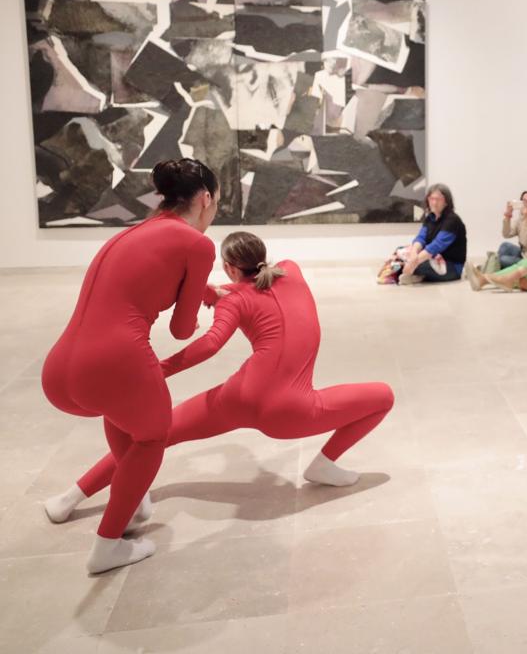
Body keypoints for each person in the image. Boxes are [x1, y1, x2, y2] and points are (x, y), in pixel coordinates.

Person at [45, 233, 395, 538]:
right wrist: (219, 294)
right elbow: (261, 287)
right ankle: (324, 464)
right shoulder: (293, 270)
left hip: (238, 396)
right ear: (263, 255)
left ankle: (69, 499)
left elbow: (211, 343)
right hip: (292, 410)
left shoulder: (234, 300)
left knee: (152, 438)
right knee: (383, 396)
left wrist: (159, 369)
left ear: (228, 267)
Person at [41, 158, 218, 574]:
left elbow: (137, 278)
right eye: (216, 206)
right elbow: (181, 329)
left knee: (129, 421)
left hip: (63, 368)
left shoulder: (134, 232)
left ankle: (131, 500)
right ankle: (107, 547)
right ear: (206, 198)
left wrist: (199, 286)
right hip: (115, 364)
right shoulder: (198, 244)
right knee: (154, 437)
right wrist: (197, 300)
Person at [385, 183, 468, 284]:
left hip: (450, 266)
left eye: (438, 199)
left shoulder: (452, 220)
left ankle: (413, 273)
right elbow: (421, 238)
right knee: (400, 251)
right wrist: (413, 253)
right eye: (431, 199)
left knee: (418, 264)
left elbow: (436, 246)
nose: (434, 202)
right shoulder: (430, 218)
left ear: (446, 202)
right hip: (432, 258)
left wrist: (413, 262)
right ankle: (416, 275)